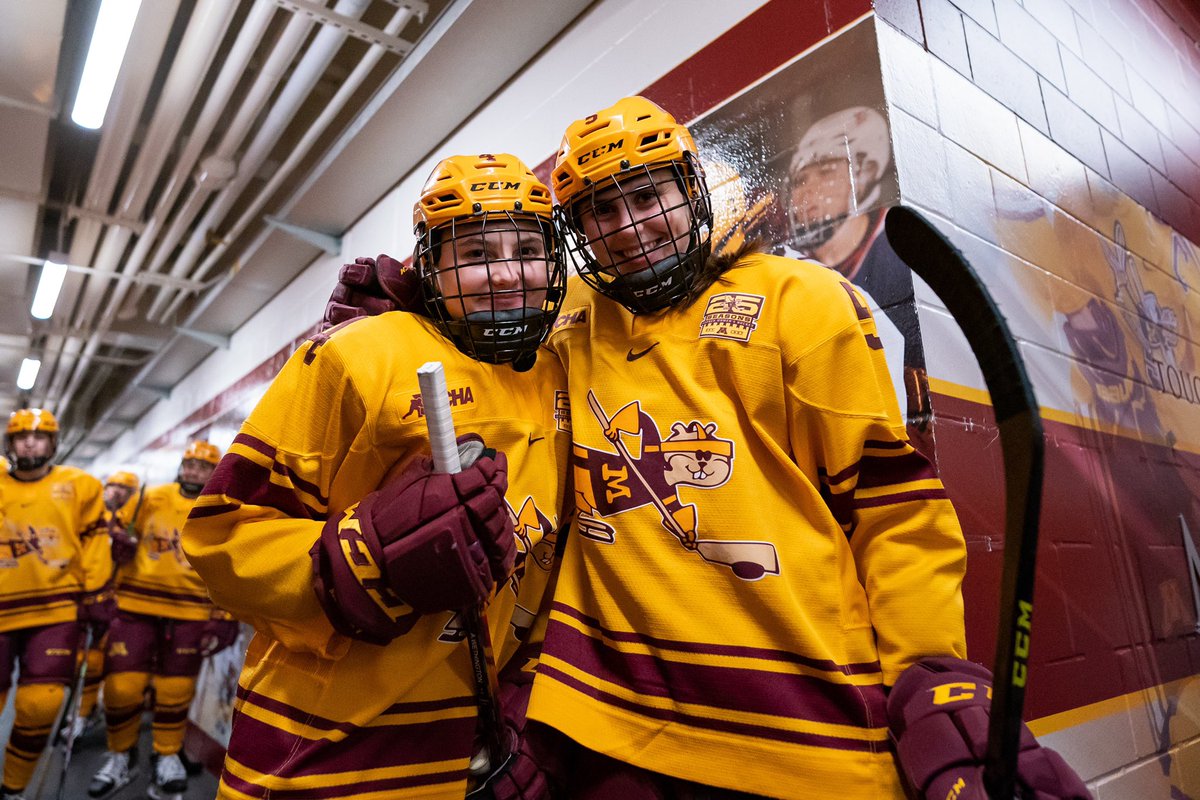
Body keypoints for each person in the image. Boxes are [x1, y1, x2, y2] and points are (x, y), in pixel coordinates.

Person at [332, 97, 1090, 799]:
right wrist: (420, 307)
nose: (626, 225)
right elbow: (493, 306)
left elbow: (894, 514)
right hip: (606, 734)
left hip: (807, 738)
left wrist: (929, 671)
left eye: (645, 196)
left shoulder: (803, 301)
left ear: (693, 190)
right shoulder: (572, 328)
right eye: (599, 210)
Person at [182, 152, 571, 799]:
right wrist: (364, 558)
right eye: (475, 252)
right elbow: (218, 540)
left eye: (526, 249)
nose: (505, 273)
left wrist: (518, 704)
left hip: (473, 746)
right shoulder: (362, 356)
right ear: (433, 262)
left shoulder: (559, 375)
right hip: (321, 744)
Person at [88, 442, 240, 800]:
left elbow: (226, 564)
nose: (194, 472)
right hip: (135, 606)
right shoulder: (150, 496)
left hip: (191, 613)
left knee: (175, 692)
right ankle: (121, 755)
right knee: (121, 688)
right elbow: (118, 534)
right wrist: (117, 549)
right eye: (189, 464)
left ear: (214, 472)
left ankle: (168, 753)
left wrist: (225, 615)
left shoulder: (222, 510)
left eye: (203, 467)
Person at [0, 408, 109, 800]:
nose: (30, 442)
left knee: (39, 705)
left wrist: (98, 592)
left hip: (56, 608)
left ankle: (12, 789)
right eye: (21, 436)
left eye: (40, 436)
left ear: (53, 442)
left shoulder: (79, 485)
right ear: (9, 443)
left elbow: (95, 540)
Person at [63, 470, 143, 745]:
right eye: (114, 486)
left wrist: (130, 547)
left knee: (114, 668)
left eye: (126, 489)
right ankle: (82, 713)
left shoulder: (137, 522)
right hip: (90, 598)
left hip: (125, 604)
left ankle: (93, 714)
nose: (118, 492)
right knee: (87, 660)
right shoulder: (93, 517)